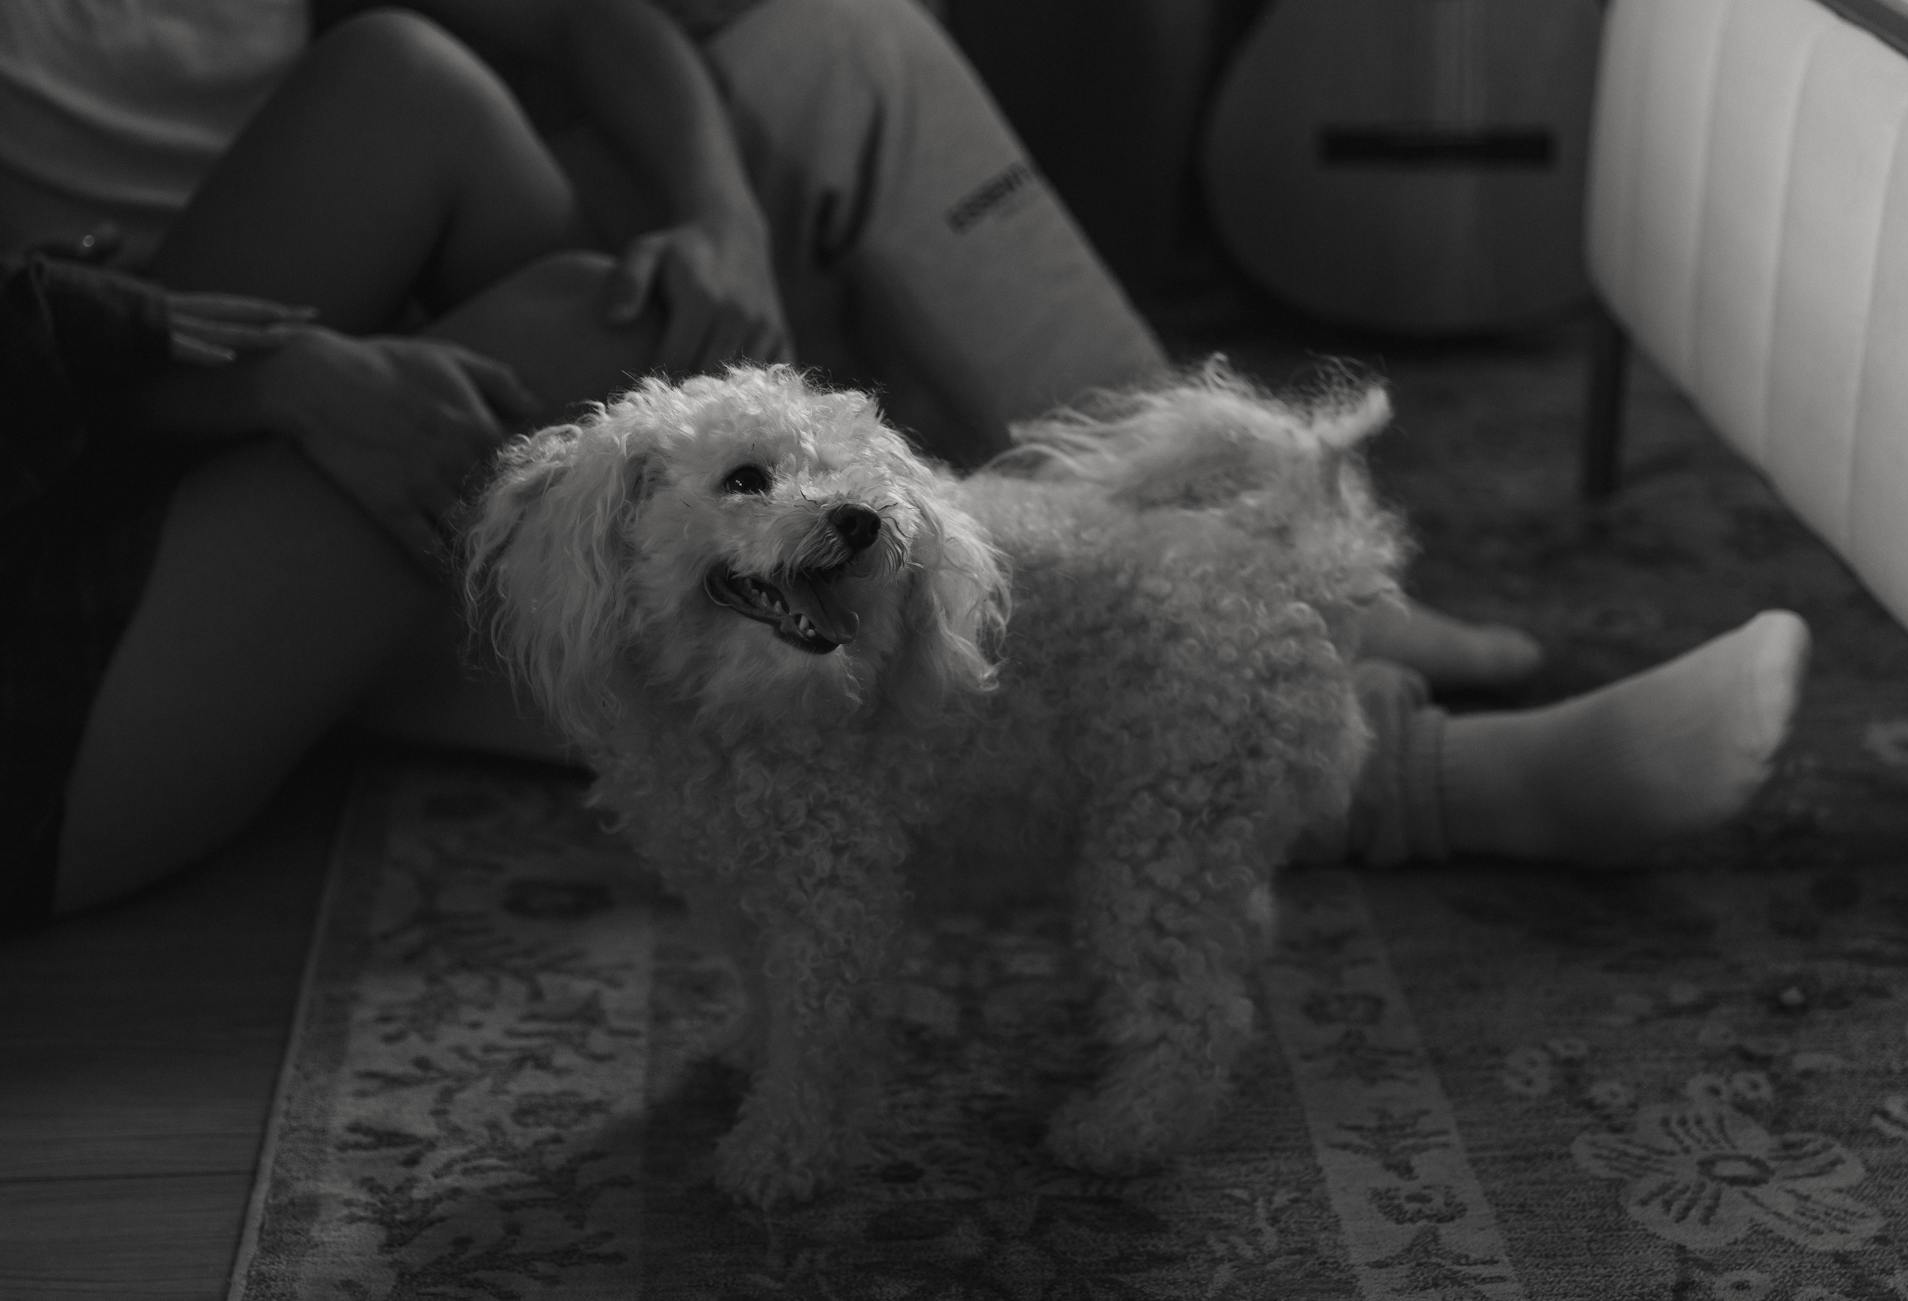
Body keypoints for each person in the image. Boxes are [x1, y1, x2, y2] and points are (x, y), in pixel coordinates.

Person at [0, 0, 1790, 934]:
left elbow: (584, 24)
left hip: (267, 334)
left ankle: (1295, 569)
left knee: (811, 44)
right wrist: (268, 386)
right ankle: (1426, 775)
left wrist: (712, 203)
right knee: (597, 405)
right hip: (71, 526)